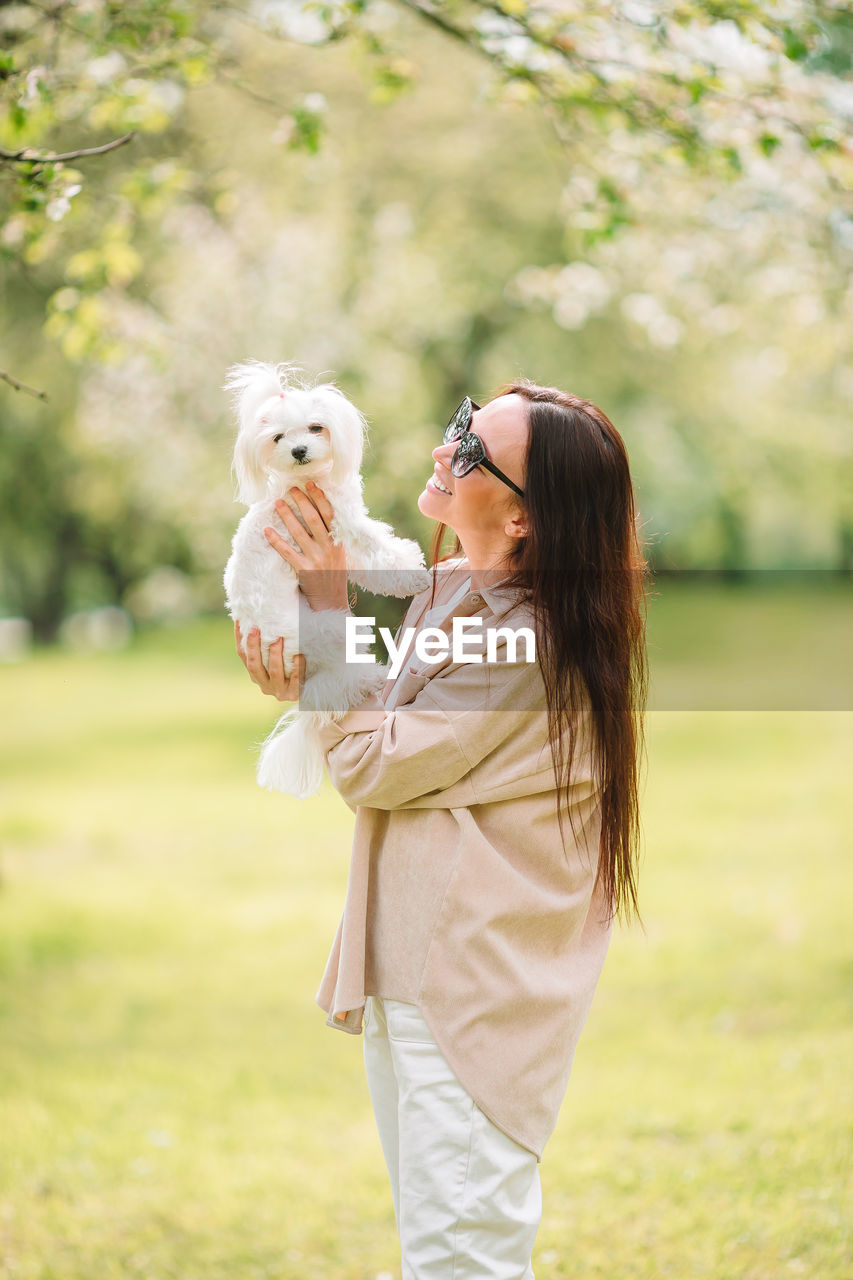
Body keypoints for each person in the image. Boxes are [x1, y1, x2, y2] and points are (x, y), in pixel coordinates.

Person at [236, 381, 648, 1279]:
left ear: (524, 520)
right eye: (458, 424)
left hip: (468, 986)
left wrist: (325, 622)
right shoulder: (458, 592)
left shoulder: (532, 641)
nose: (440, 449)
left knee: (460, 1259)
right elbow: (385, 721)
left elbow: (373, 763)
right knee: (443, 1249)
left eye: (469, 451)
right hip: (416, 964)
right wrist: (314, 674)